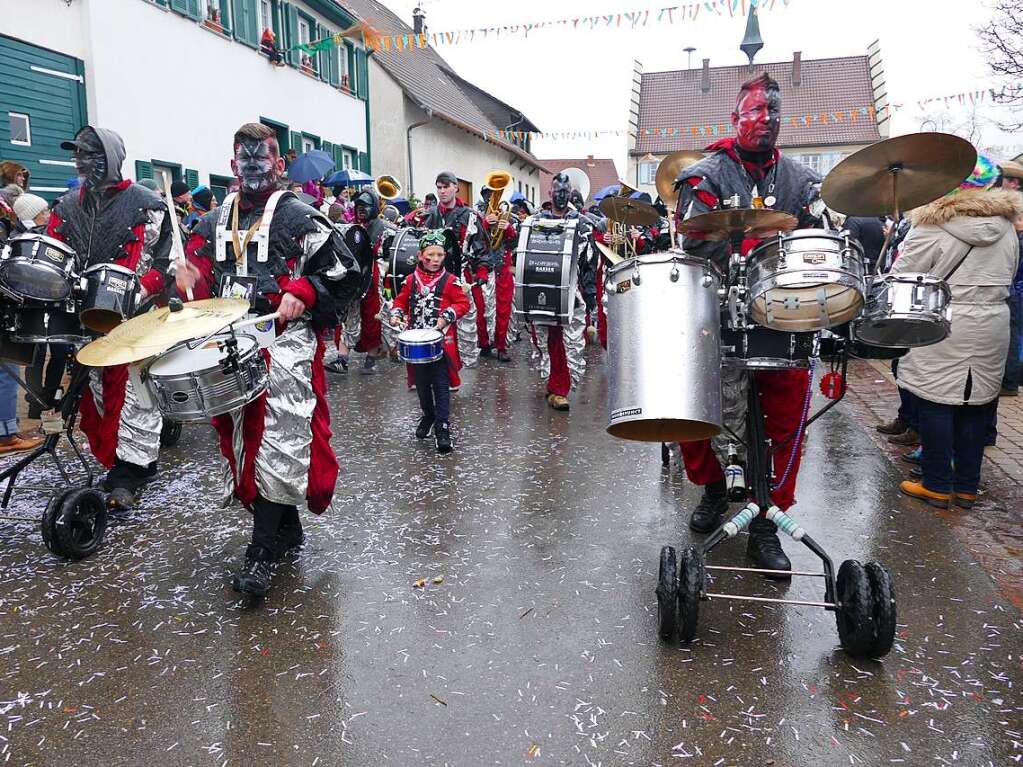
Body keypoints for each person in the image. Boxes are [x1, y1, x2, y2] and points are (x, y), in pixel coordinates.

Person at [177, 121, 361, 597]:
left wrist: (303, 290)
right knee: (242, 439)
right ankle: (284, 529)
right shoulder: (213, 220)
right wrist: (180, 280)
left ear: (280, 165)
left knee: (280, 437)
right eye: (245, 161)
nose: (253, 168)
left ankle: (259, 554)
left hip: (286, 341)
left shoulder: (302, 215)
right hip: (228, 339)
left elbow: (347, 273)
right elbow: (195, 276)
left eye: (263, 160)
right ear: (232, 165)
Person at [674, 73, 822, 576]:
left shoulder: (802, 181)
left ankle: (765, 525)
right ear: (735, 119)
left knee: (785, 422)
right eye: (756, 112)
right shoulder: (704, 175)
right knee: (702, 411)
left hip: (785, 317)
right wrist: (743, 246)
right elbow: (694, 241)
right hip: (715, 313)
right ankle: (716, 490)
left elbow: (819, 244)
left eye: (773, 112)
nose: (766, 120)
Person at [48, 125, 173, 508]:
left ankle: (132, 471)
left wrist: (143, 288)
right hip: (85, 317)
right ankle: (113, 458)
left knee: (136, 395)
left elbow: (166, 263)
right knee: (96, 389)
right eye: (79, 155)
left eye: (92, 154)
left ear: (113, 158)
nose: (83, 162)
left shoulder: (146, 204)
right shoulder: (67, 205)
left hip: (136, 316)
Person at [896, 159, 1021, 509]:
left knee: (937, 400)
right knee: (977, 403)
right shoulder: (1007, 226)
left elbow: (904, 275)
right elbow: (1010, 272)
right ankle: (967, 486)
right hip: (994, 320)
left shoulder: (932, 225)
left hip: (944, 319)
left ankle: (936, 483)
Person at [389, 230, 470, 453]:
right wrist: (396, 313)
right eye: (430, 255)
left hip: (442, 344)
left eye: (440, 255)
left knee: (441, 385)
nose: (435, 260)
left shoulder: (452, 281)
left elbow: (463, 303)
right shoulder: (410, 280)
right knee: (422, 385)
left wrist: (447, 316)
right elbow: (400, 300)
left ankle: (443, 426)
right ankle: (428, 415)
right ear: (420, 256)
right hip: (418, 345)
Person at [527, 172, 593, 411]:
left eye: (566, 191)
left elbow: (588, 263)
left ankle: (559, 388)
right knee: (546, 339)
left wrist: (590, 296)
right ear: (550, 193)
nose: (561, 196)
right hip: (541, 287)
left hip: (570, 288)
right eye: (558, 191)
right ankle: (554, 384)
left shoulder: (581, 222)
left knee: (568, 340)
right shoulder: (536, 220)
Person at [422, 171, 490, 372]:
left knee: (465, 327)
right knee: (437, 324)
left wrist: (482, 272)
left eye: (446, 187)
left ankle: (456, 368)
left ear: (455, 187)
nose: (442, 191)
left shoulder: (470, 216)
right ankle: (442, 370)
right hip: (434, 279)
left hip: (462, 279)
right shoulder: (430, 216)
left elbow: (481, 248)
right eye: (439, 187)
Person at [12, 194, 71, 421]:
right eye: (44, 211)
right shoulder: (20, 237)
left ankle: (50, 395)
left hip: (55, 300)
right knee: (35, 356)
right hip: (31, 303)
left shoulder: (52, 232)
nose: (48, 214)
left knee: (59, 351)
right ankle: (35, 402)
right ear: (34, 214)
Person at [325, 185, 390, 375]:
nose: (361, 209)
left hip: (374, 277)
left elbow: (387, 256)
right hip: (354, 277)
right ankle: (342, 359)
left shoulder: (383, 229)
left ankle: (371, 358)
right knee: (349, 316)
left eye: (365, 206)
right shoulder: (351, 227)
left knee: (372, 317)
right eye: (358, 206)